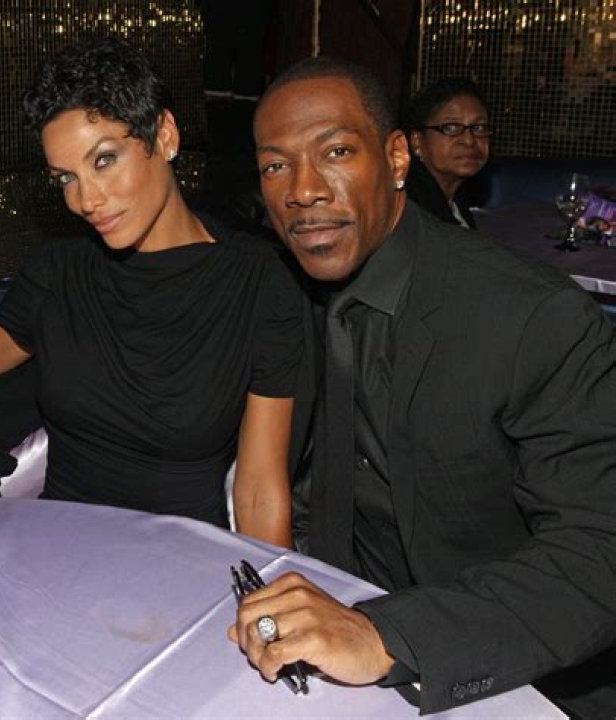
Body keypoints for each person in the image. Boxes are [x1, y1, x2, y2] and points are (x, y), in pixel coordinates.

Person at [228, 56, 616, 717]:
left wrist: (388, 637)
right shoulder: (286, 296)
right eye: (274, 166)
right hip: (332, 647)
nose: (303, 189)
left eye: (336, 152)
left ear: (397, 158)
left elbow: (601, 552)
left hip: (511, 671)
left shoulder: (533, 318)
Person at [0, 37, 303, 548]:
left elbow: (260, 492)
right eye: (66, 177)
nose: (86, 199)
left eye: (104, 159)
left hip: (184, 560)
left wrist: (279, 584)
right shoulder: (58, 274)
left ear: (165, 136)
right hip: (53, 549)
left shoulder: (259, 282)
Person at [404, 77, 491, 228]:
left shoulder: (457, 202)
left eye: (479, 128)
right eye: (451, 128)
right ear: (417, 141)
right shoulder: (407, 208)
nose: (469, 140)